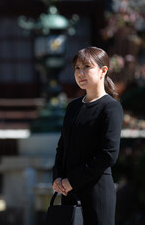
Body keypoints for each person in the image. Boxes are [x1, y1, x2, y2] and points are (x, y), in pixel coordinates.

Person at [52, 46, 123, 225]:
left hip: (97, 193)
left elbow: (108, 155)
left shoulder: (110, 107)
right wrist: (58, 178)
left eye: (87, 67)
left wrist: (71, 181)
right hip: (69, 192)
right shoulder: (73, 107)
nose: (80, 73)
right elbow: (62, 147)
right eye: (77, 68)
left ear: (103, 71)